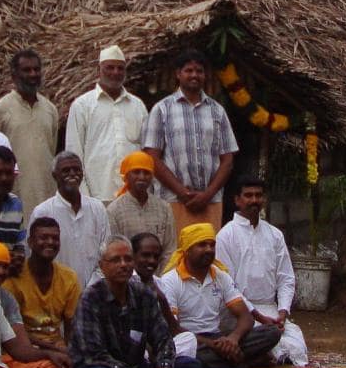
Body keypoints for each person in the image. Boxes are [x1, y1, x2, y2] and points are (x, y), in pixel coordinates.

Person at [69, 237, 204, 368]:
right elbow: (95, 355)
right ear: (102, 266)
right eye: (115, 260)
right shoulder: (91, 298)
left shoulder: (144, 295)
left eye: (128, 259)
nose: (123, 265)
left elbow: (163, 339)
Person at [157, 221, 280, 368]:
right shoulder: (170, 281)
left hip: (219, 338)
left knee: (272, 332)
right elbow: (173, 329)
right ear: (187, 250)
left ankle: (231, 360)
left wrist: (233, 339)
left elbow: (246, 317)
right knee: (187, 357)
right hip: (191, 341)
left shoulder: (221, 276)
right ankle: (247, 362)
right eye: (202, 245)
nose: (209, 250)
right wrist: (214, 345)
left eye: (212, 245)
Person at [142, 48, 238, 236]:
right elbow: (152, 157)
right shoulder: (162, 109)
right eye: (189, 70)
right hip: (172, 200)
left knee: (208, 250)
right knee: (174, 251)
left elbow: (228, 159)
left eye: (199, 71)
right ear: (178, 74)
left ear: (205, 75)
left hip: (211, 202)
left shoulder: (217, 111)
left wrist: (207, 194)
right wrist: (183, 193)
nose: (194, 75)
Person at [217, 178, 307, 366]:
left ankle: (258, 355)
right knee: (270, 339)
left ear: (264, 199)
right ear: (237, 200)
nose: (254, 200)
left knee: (297, 346)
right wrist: (258, 316)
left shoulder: (275, 234)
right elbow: (228, 287)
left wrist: (282, 312)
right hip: (240, 313)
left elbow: (286, 278)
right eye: (248, 195)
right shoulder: (226, 235)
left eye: (258, 195)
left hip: (271, 310)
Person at [67, 45, 150, 201]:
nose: (115, 72)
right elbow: (74, 152)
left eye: (120, 68)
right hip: (98, 195)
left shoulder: (137, 106)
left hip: (133, 195)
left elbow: (146, 151)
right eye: (110, 67)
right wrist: (84, 197)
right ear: (98, 70)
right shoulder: (82, 105)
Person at [0, 48, 60, 214]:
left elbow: (52, 150)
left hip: (46, 193)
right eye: (26, 70)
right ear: (14, 75)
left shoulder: (50, 109)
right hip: (15, 194)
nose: (33, 74)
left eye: (36, 69)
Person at [31, 150, 110, 283]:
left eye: (77, 169)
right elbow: (35, 257)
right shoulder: (42, 212)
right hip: (56, 289)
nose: (72, 174)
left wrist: (92, 289)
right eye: (66, 170)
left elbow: (106, 253)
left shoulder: (97, 208)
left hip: (94, 290)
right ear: (55, 175)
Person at [8, 217, 82, 351]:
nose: (50, 242)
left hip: (59, 349)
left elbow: (72, 326)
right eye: (43, 238)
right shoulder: (14, 277)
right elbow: (11, 330)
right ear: (30, 242)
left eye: (55, 238)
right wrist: (51, 350)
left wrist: (70, 351)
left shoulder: (69, 278)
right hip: (24, 349)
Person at [105, 150, 174, 260]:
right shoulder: (114, 210)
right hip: (127, 269)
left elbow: (169, 250)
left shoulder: (164, 208)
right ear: (126, 176)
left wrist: (162, 271)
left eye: (146, 172)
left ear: (152, 177)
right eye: (136, 172)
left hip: (158, 270)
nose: (142, 177)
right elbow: (114, 249)